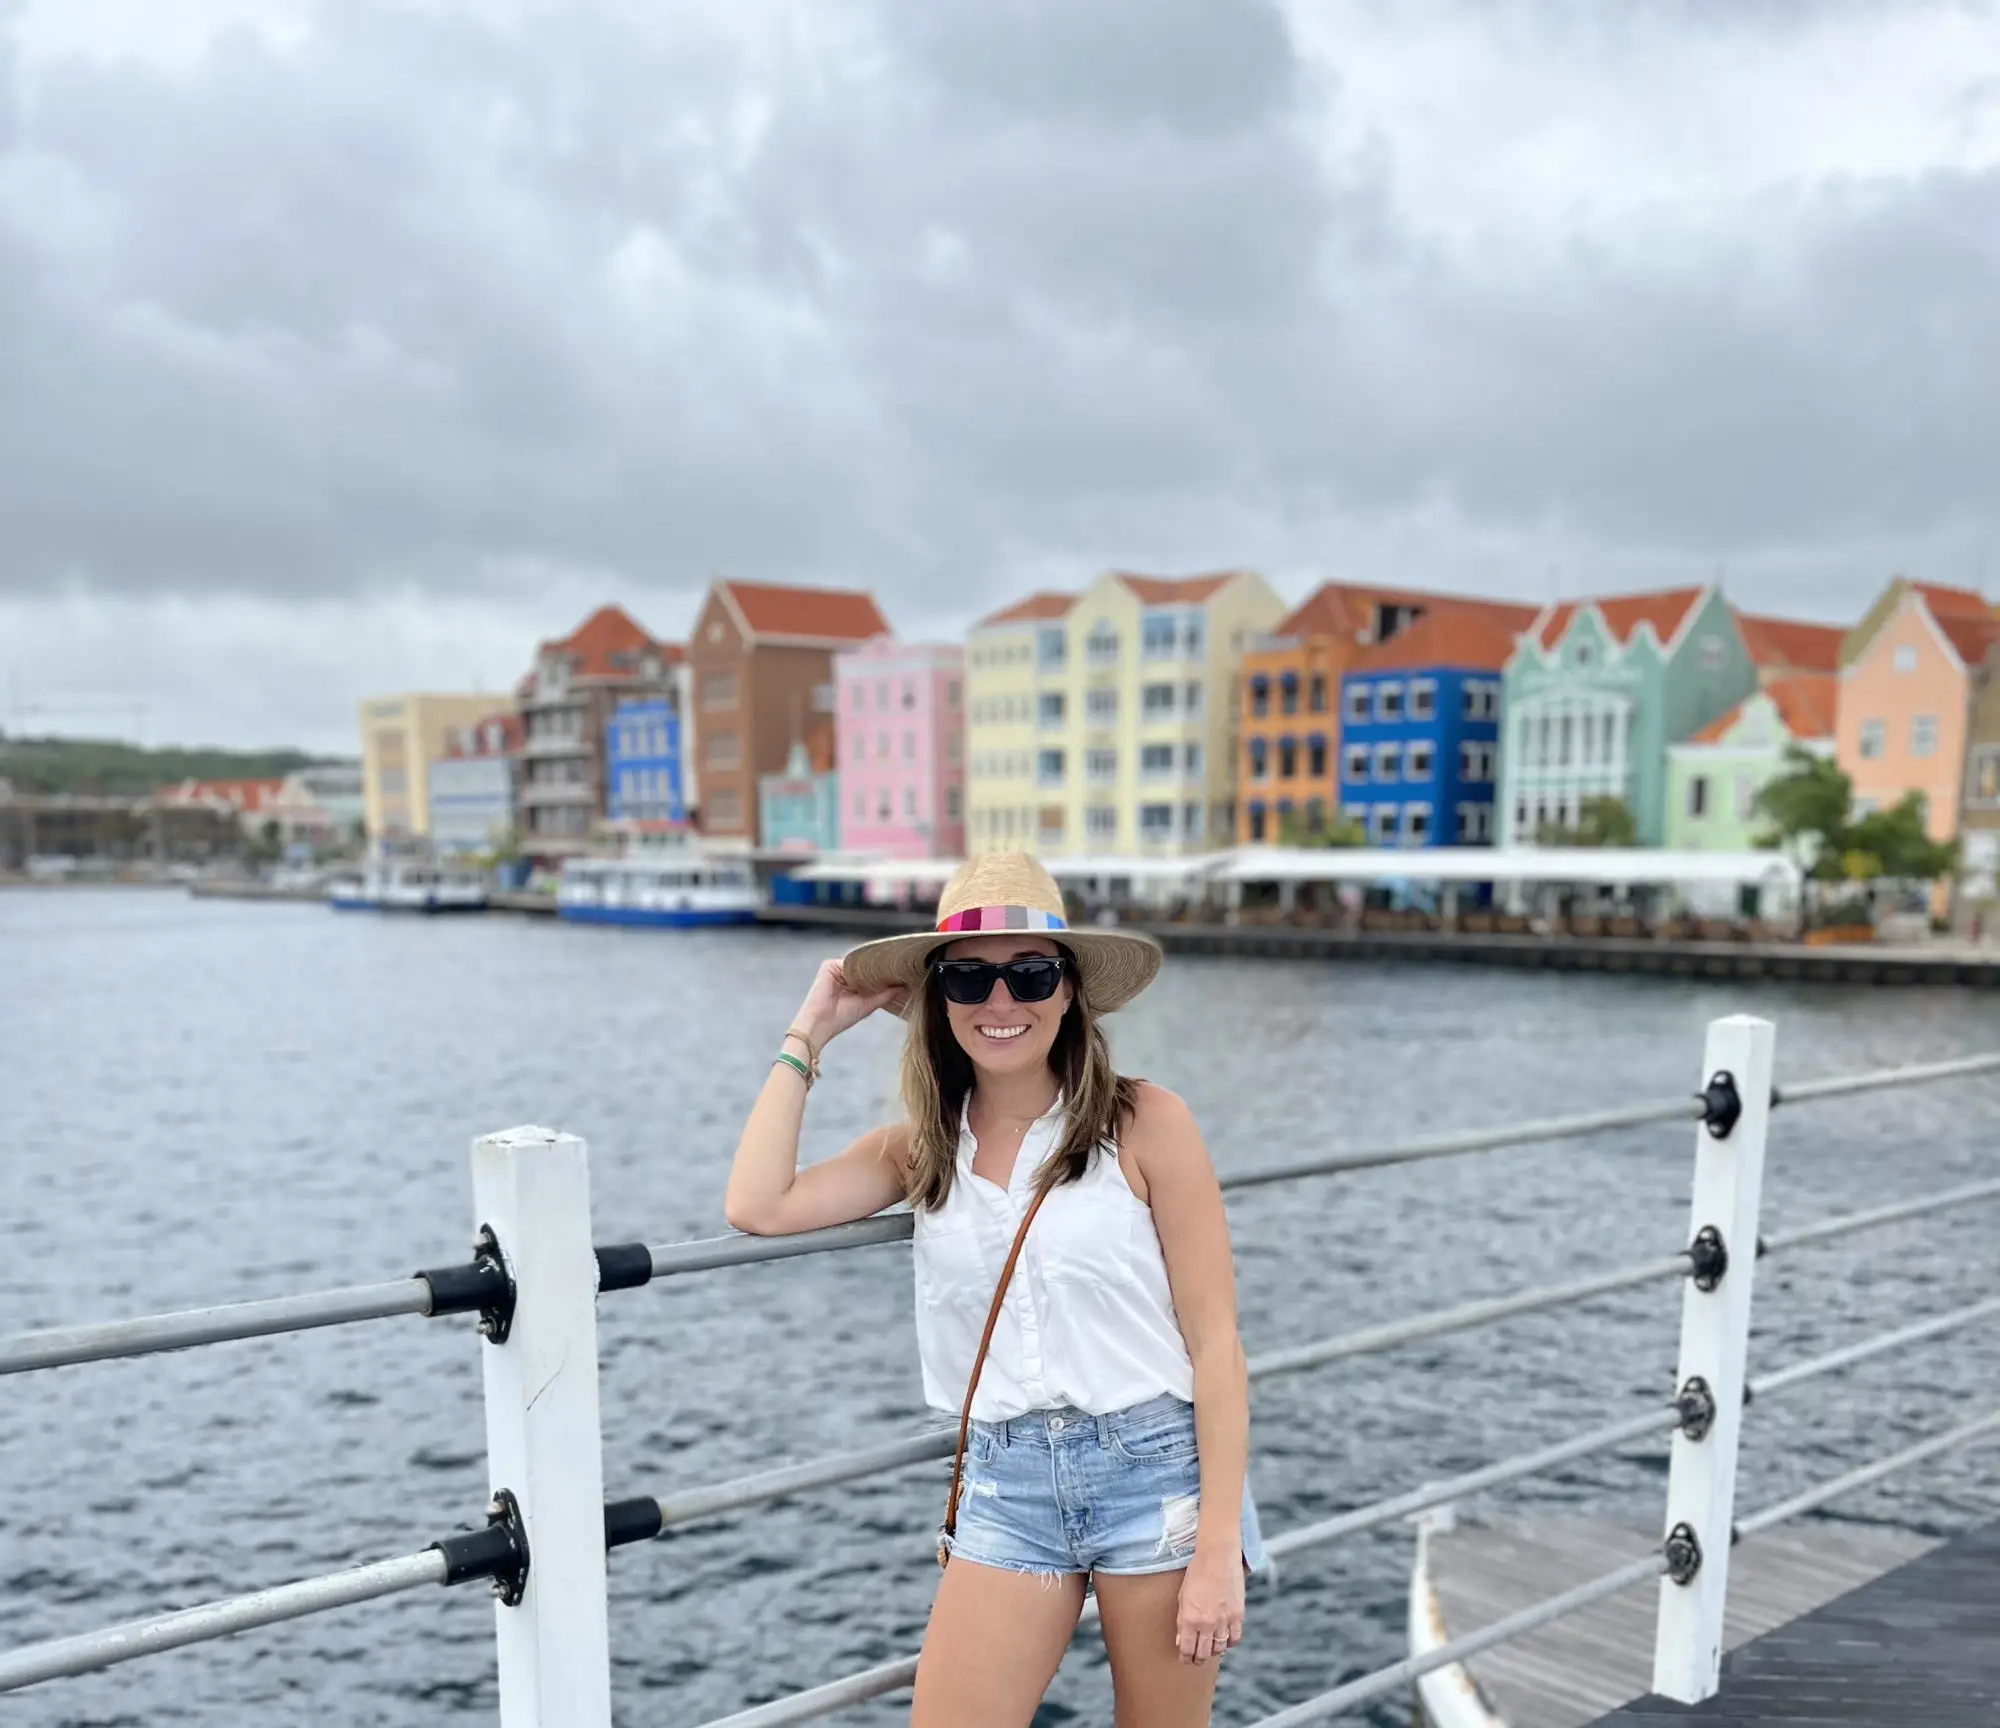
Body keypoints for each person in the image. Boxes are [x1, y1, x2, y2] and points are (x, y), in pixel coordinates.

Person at [724, 852, 1263, 1728]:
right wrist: (807, 1035)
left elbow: (1217, 1344)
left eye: (1030, 973)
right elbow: (757, 1204)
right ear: (940, 999)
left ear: (1069, 990)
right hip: (1006, 1489)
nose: (1001, 1002)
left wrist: (1217, 1550)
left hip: (1153, 1476)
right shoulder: (920, 1150)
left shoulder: (1148, 1123)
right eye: (970, 977)